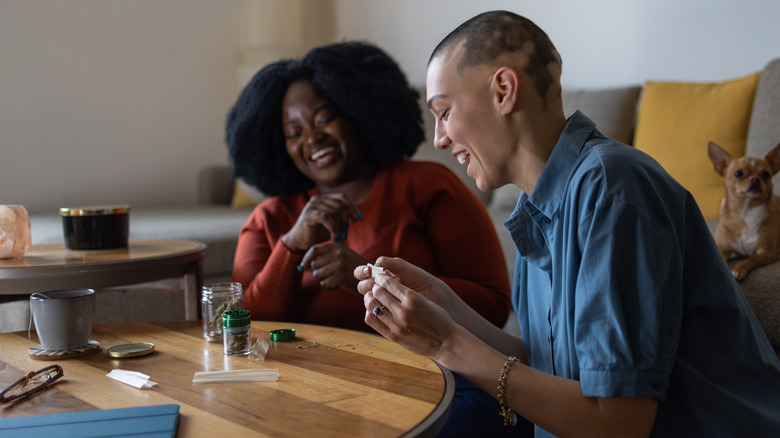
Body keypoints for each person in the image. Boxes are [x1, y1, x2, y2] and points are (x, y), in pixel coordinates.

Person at [356, 10, 780, 438]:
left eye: (443, 111)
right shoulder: (533, 211)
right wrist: (445, 305)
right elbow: (547, 369)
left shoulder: (614, 188)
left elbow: (618, 424)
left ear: (503, 90)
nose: (439, 139)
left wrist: (446, 343)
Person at [224, 41, 510, 334]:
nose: (312, 139)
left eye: (325, 119)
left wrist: (372, 278)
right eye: (294, 133)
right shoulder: (268, 219)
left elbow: (493, 308)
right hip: (303, 377)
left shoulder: (427, 186)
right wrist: (290, 247)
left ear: (357, 112)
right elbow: (245, 329)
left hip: (423, 374)